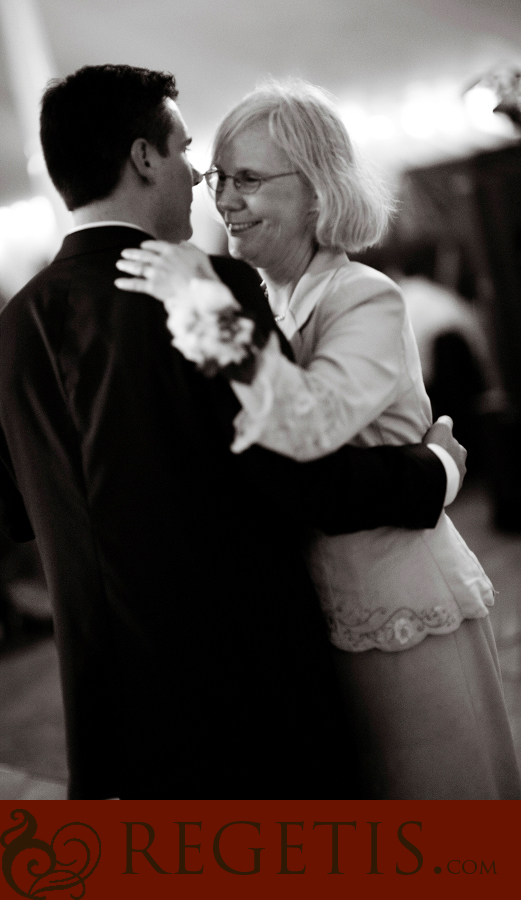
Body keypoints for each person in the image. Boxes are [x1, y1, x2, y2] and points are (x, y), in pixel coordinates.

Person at [0, 64, 462, 800]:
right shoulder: (203, 287)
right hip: (246, 688)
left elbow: (21, 509)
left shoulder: (16, 323)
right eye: (187, 152)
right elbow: (297, 476)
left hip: (105, 714)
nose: (198, 179)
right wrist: (434, 470)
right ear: (145, 158)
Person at [117, 79, 521, 799]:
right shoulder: (266, 302)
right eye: (219, 177)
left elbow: (311, 423)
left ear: (317, 190)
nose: (224, 199)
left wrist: (199, 305)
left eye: (249, 179)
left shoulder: (363, 294)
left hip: (396, 597)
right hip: (311, 611)